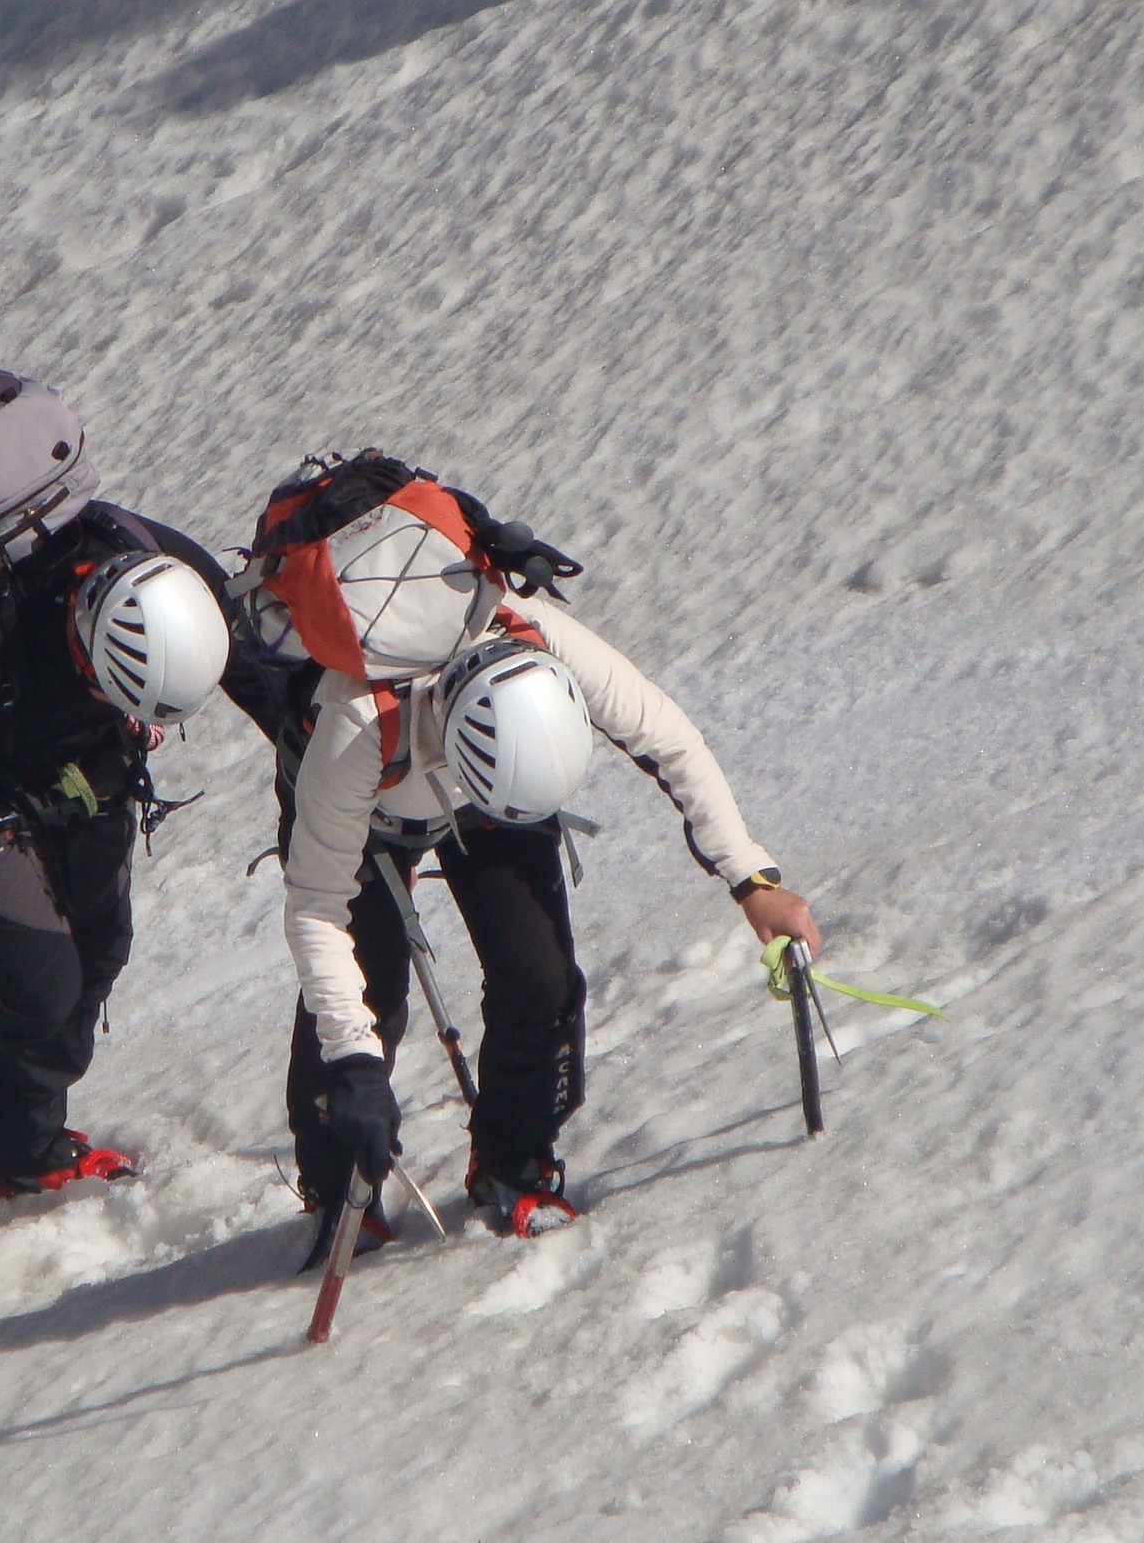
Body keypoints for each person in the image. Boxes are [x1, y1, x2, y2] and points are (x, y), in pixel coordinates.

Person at [252, 451, 821, 1243]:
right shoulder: (354, 725)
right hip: (368, 810)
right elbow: (316, 908)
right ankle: (337, 1180)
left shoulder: (538, 634)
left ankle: (515, 1165)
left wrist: (750, 877)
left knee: (541, 982)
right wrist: (353, 1062)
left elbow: (668, 737)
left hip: (491, 790)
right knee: (364, 998)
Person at [0, 368, 282, 1207]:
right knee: (42, 980)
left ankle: (14, 1148)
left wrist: (328, 775)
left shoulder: (157, 560)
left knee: (97, 952)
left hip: (82, 771)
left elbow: (258, 678)